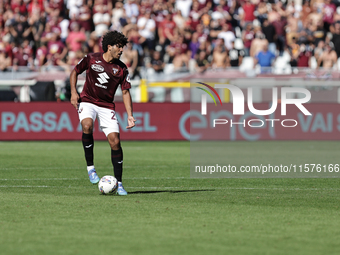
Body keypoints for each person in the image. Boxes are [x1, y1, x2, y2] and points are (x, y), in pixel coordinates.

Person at [70, 31, 136, 196]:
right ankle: (91, 168)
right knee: (87, 125)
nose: (121, 50)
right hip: (87, 101)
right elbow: (74, 72)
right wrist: (73, 92)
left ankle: (119, 183)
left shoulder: (121, 69)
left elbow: (126, 92)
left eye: (122, 47)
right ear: (109, 47)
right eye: (119, 46)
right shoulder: (91, 58)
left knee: (115, 142)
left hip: (107, 106)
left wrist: (129, 115)